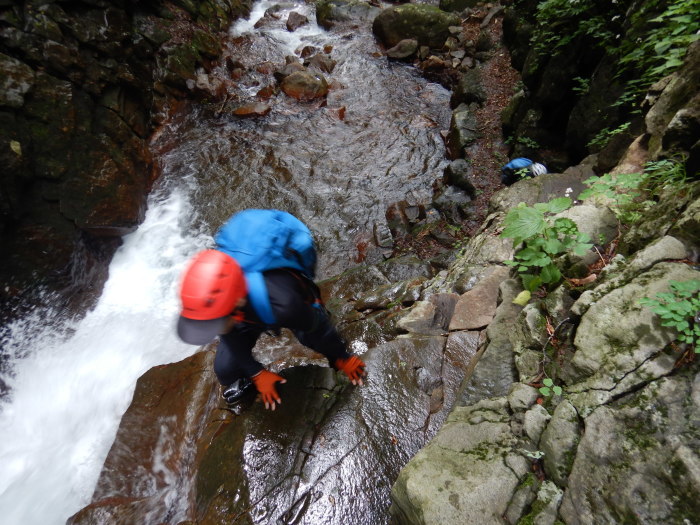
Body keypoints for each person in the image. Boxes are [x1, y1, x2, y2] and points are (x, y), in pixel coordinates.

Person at [176, 211, 366, 411]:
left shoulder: (285, 304)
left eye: (216, 323)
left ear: (237, 303)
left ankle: (314, 311)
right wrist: (257, 373)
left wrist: (342, 357)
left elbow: (321, 332)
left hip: (285, 298)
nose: (215, 330)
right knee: (225, 370)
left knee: (311, 333)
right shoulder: (224, 302)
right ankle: (250, 378)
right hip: (247, 308)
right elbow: (228, 333)